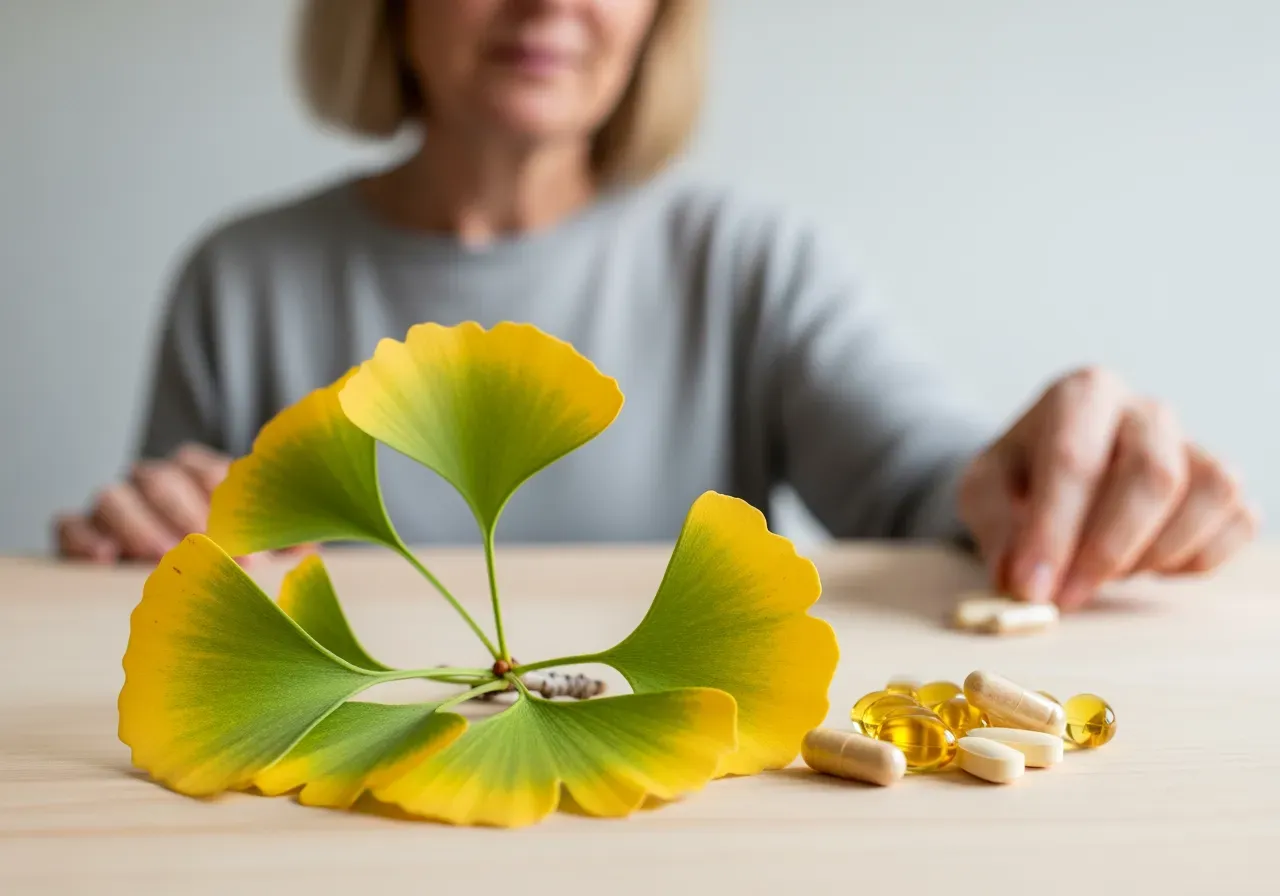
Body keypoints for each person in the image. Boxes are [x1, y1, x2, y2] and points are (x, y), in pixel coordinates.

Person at [54, 0, 1257, 610]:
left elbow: (927, 486)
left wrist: (1036, 479)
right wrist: (156, 532)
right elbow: (183, 596)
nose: (548, 2)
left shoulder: (746, 258)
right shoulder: (242, 275)